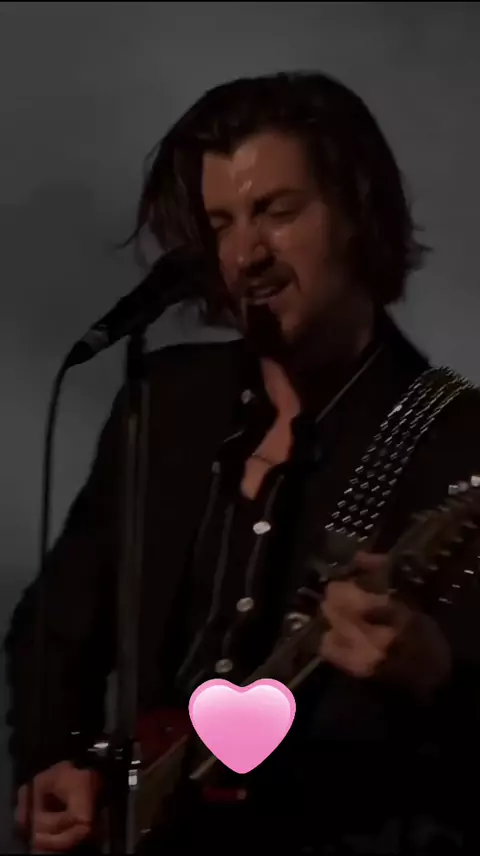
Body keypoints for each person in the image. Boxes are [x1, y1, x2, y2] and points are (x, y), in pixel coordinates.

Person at [5, 70, 480, 856]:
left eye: (278, 212)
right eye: (220, 223)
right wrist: (52, 758)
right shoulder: (166, 403)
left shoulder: (457, 438)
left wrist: (437, 678)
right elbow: (54, 625)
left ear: (359, 213)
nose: (245, 253)